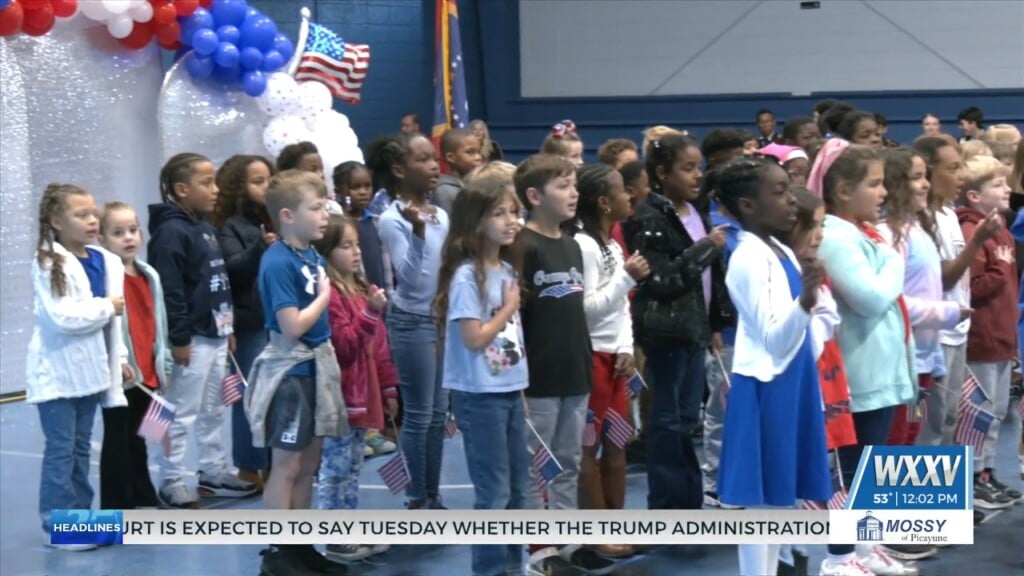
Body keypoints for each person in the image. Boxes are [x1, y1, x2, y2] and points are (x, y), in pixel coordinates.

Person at [713, 157, 831, 576]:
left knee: (779, 499)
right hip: (768, 385)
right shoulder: (748, 258)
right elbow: (775, 338)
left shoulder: (777, 248)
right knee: (761, 503)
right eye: (778, 193)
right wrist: (806, 303)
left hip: (791, 381)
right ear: (747, 205)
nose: (790, 202)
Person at [816, 143, 920, 575]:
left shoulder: (864, 232)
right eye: (873, 184)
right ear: (843, 190)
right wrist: (897, 259)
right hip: (859, 376)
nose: (882, 192)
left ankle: (865, 546)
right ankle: (838, 558)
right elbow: (870, 298)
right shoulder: (837, 236)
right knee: (851, 470)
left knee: (870, 468)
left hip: (881, 373)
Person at [245, 170, 348, 576]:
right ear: (287, 215)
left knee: (309, 465)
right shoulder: (277, 262)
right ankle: (278, 551)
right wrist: (325, 297)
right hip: (291, 373)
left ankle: (301, 545)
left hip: (316, 369)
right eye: (316, 207)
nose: (325, 214)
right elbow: (292, 326)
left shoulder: (312, 255)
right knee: (286, 465)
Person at [514, 154, 614, 574]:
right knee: (540, 464)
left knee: (570, 460)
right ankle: (540, 549)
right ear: (534, 196)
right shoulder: (522, 245)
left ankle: (569, 539)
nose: (573, 193)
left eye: (574, 185)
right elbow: (514, 317)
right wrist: (516, 375)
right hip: (538, 374)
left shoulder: (573, 244)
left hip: (574, 369)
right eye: (562, 185)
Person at [621, 134, 728, 512]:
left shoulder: (694, 212)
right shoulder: (648, 218)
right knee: (667, 421)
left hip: (693, 330)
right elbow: (663, 281)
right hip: (666, 333)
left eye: (699, 167)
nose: (697, 176)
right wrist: (706, 248)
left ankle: (687, 499)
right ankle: (667, 504)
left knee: (686, 419)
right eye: (687, 168)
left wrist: (716, 321)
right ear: (662, 173)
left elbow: (711, 280)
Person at [436, 169, 530, 576]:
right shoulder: (465, 277)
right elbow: (473, 338)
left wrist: (520, 387)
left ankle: (513, 566)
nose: (510, 220)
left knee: (517, 491)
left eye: (514, 212)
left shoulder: (506, 271)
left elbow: (509, 341)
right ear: (475, 221)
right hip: (479, 395)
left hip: (508, 389)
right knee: (493, 493)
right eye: (499, 214)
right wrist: (508, 308)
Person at [148, 153, 255, 508]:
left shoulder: (205, 229)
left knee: (212, 408)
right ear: (181, 189)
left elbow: (217, 284)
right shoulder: (170, 233)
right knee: (179, 409)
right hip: (191, 340)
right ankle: (172, 478)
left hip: (216, 337)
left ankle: (212, 470)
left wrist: (227, 329)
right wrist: (178, 340)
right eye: (206, 182)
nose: (216, 189)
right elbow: (171, 292)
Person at [27, 184, 128, 551]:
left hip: (90, 374)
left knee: (83, 448)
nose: (91, 220)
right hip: (57, 376)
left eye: (93, 213)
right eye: (80, 214)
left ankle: (80, 518)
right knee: (62, 449)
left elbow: (112, 327)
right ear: (56, 221)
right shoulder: (48, 261)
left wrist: (119, 360)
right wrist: (107, 306)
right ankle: (56, 521)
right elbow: (61, 317)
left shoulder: (104, 260)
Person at [573, 164, 650, 560]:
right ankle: (595, 534)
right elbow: (584, 310)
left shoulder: (615, 246)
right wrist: (627, 278)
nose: (630, 196)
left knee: (617, 444)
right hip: (590, 360)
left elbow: (621, 309)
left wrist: (625, 348)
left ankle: (615, 526)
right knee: (589, 449)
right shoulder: (584, 246)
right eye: (622, 191)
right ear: (604, 202)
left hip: (615, 360)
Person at [372, 132, 450, 510]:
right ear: (400, 170)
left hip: (441, 321)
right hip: (412, 321)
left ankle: (433, 493)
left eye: (434, 158)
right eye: (423, 159)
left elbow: (448, 269)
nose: (434, 165)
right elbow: (412, 277)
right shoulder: (392, 219)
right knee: (418, 415)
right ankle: (416, 497)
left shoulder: (443, 215)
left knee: (438, 415)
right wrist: (418, 233)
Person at [313, 213, 398, 562]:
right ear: (327, 251)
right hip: (341, 396)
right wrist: (370, 314)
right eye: (345, 246)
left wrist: (390, 387)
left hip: (366, 394)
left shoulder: (362, 290)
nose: (356, 252)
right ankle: (333, 533)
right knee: (335, 467)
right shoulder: (329, 295)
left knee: (351, 467)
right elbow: (344, 346)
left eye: (357, 244)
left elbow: (379, 346)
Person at [913, 137, 1001, 452]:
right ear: (929, 173)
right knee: (930, 423)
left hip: (957, 331)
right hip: (934, 336)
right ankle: (920, 499)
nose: (960, 175)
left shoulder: (949, 214)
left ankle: (943, 497)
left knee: (950, 418)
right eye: (952, 168)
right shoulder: (923, 222)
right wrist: (977, 241)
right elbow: (944, 279)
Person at [878, 149, 965, 461]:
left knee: (911, 437)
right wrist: (950, 313)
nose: (925, 184)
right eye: (915, 178)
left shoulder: (919, 230)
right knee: (894, 442)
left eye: (925, 176)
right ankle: (882, 510)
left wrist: (935, 361)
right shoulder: (888, 236)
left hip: (923, 364)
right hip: (899, 366)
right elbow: (891, 302)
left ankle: (910, 509)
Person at [957, 155, 1022, 506]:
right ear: (974, 196)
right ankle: (971, 475)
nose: (1007, 189)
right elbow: (973, 285)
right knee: (978, 413)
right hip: (981, 337)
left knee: (997, 411)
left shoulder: (1001, 228)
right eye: (997, 185)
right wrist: (1000, 270)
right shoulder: (972, 230)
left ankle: (987, 471)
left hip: (1001, 334)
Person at [98, 202, 171, 510]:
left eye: (132, 230)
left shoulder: (149, 274)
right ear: (101, 238)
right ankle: (118, 505)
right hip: (123, 375)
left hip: (148, 371)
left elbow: (159, 321)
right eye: (117, 233)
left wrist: (162, 362)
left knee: (141, 438)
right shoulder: (105, 276)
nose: (128, 238)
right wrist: (117, 361)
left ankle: (143, 493)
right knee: (119, 440)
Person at [213, 154, 276, 488]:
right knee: (249, 395)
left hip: (276, 319)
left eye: (268, 180)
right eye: (257, 181)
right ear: (238, 186)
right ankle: (249, 465)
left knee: (274, 393)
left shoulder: (271, 220)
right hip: (249, 322)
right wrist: (259, 249)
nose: (265, 187)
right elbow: (231, 269)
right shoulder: (230, 226)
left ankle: (269, 460)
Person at [433, 128, 484, 214]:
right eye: (470, 152)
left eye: (479, 152)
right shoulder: (444, 191)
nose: (478, 157)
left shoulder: (476, 186)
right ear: (450, 157)